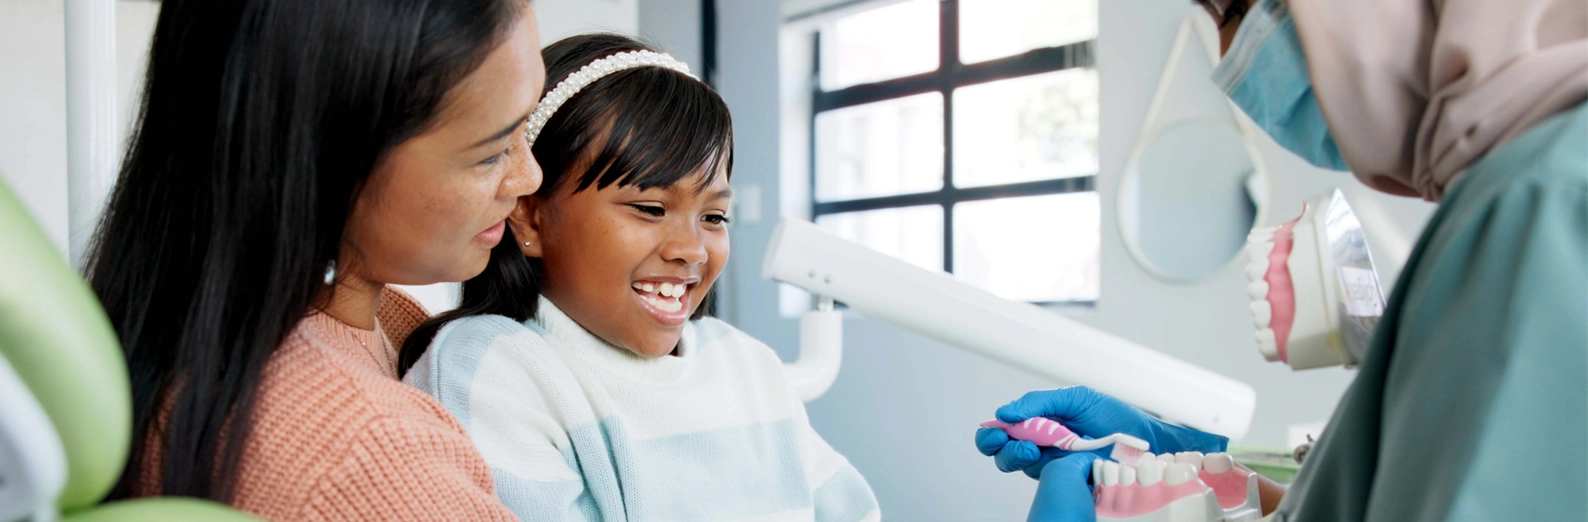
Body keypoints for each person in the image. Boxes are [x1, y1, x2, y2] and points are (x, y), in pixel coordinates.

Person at [977, 0, 1587, 521]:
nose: (1225, 54)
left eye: (1237, 11)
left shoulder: (1539, 201)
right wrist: (1206, 481)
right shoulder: (1526, 186)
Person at [88, 0, 546, 519]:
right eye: (489, 153)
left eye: (525, 126)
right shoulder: (368, 458)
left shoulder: (366, 326)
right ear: (327, 161)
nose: (528, 178)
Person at [397, 33, 882, 522]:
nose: (691, 249)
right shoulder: (490, 368)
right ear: (529, 217)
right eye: (651, 208)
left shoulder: (748, 365)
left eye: (714, 218)